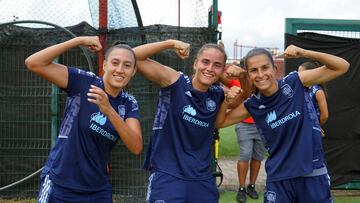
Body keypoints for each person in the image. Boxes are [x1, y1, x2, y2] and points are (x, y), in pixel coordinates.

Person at [216, 45, 349, 202]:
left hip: (312, 173)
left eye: (265, 68)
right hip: (279, 178)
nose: (260, 74)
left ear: (274, 69)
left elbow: (342, 66)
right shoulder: (253, 104)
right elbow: (221, 122)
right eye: (254, 70)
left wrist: (304, 52)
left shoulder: (295, 81)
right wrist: (226, 101)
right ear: (249, 75)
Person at [25, 36, 143, 203]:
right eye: (114, 63)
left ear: (133, 71)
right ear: (104, 65)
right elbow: (33, 63)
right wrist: (78, 41)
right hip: (61, 184)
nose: (120, 69)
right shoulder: (85, 83)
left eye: (127, 65)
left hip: (97, 190)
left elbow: (136, 146)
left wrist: (109, 110)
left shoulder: (128, 103)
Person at [133, 39, 240, 203]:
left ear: (222, 70)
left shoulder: (218, 95)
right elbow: (132, 56)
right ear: (195, 63)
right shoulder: (175, 81)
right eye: (205, 62)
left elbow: (249, 96)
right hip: (168, 174)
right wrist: (169, 43)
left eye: (217, 65)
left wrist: (238, 76)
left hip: (201, 179)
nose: (209, 68)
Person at [220, 60, 266, 203]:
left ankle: (251, 186)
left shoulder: (261, 83)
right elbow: (220, 74)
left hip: (261, 125)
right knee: (245, 155)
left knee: (258, 157)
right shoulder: (236, 82)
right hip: (244, 125)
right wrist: (225, 62)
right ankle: (241, 188)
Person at [298, 61, 329, 135]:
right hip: (299, 127)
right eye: (298, 73)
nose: (299, 76)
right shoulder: (299, 88)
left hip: (310, 129)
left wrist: (316, 126)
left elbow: (325, 115)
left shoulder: (317, 91)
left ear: (312, 74)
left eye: (302, 73)